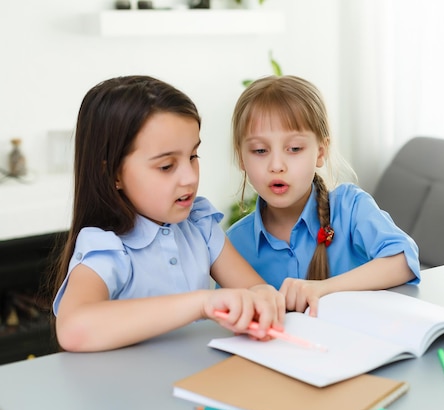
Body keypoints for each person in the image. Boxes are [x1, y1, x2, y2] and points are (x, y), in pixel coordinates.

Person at [49, 75, 285, 353]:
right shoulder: (106, 247)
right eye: (166, 166)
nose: (189, 177)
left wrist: (264, 298)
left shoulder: (199, 225)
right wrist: (201, 303)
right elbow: (74, 329)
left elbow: (254, 289)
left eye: (193, 157)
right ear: (112, 173)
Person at [227, 75, 421, 317]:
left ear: (320, 152)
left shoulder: (350, 208)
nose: (276, 165)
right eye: (259, 150)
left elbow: (404, 260)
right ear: (241, 157)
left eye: (294, 149)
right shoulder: (232, 245)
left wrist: (323, 289)